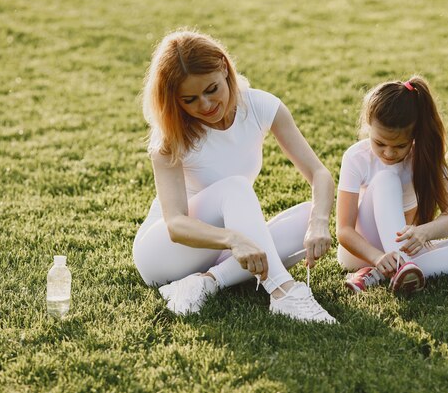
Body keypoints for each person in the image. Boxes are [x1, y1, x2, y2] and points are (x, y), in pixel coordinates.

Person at [133, 29, 336, 323]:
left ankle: (206, 282)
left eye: (212, 89)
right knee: (235, 188)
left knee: (306, 218)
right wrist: (232, 239)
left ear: (224, 68)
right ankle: (283, 292)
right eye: (190, 99)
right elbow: (176, 224)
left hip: (217, 252)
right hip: (165, 253)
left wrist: (319, 223)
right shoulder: (170, 137)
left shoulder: (261, 106)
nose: (205, 105)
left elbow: (319, 173)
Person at [336, 76, 448, 293]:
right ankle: (393, 267)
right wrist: (378, 257)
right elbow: (343, 231)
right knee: (386, 178)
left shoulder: (425, 157)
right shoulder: (356, 157)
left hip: (407, 252)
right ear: (368, 127)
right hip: (361, 253)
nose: (389, 153)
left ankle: (384, 273)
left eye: (400, 145)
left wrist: (424, 232)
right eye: (379, 143)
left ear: (414, 136)